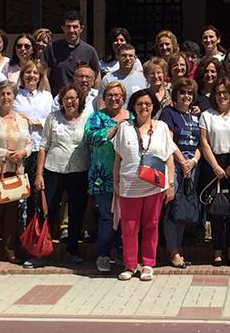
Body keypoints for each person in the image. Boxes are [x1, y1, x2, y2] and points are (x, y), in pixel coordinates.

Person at [113, 89, 176, 282]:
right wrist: (116, 183)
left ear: (153, 107)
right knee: (129, 227)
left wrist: (171, 183)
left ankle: (148, 264)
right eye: (139, 104)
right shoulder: (124, 128)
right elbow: (118, 159)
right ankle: (130, 265)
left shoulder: (162, 127)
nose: (143, 107)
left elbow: (169, 157)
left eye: (147, 104)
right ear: (133, 106)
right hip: (129, 186)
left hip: (154, 186)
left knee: (152, 225)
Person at [33, 84, 89, 267]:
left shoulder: (88, 118)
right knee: (47, 210)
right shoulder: (53, 118)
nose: (70, 101)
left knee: (76, 212)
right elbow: (43, 146)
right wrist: (39, 174)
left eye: (74, 98)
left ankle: (72, 250)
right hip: (53, 170)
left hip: (79, 172)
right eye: (67, 98)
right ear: (61, 101)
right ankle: (40, 251)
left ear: (80, 100)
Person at [0, 81, 32, 265]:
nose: (6, 97)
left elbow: (29, 144)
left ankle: (10, 250)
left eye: (9, 94)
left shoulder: (22, 120)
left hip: (15, 172)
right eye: (2, 94)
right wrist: (7, 155)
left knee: (12, 214)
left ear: (14, 96)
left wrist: (23, 153)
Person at [198, 77, 230, 266]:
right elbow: (204, 142)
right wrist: (215, 166)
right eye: (218, 93)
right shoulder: (206, 115)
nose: (222, 96)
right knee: (216, 209)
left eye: (225, 92)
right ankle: (217, 250)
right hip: (213, 164)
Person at [84, 81, 129, 273]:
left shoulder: (131, 116)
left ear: (123, 98)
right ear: (104, 97)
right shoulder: (96, 117)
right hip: (103, 175)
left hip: (126, 175)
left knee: (125, 216)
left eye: (117, 95)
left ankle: (120, 252)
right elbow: (90, 137)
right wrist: (114, 128)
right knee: (106, 217)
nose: (114, 98)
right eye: (110, 95)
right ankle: (103, 254)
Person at [159, 78, 201, 268]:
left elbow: (201, 143)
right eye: (182, 92)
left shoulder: (195, 116)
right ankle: (173, 251)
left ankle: (177, 249)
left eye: (190, 93)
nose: (186, 96)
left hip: (192, 166)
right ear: (175, 95)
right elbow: (168, 139)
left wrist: (193, 161)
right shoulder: (169, 113)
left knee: (183, 208)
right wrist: (182, 162)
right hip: (174, 165)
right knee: (171, 207)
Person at [10, 60, 54, 234]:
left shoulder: (46, 96)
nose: (31, 76)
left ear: (40, 77)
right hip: (20, 150)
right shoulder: (16, 95)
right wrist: (22, 118)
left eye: (35, 73)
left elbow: (52, 119)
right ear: (22, 75)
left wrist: (38, 122)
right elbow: (9, 115)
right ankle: (18, 233)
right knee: (19, 193)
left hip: (41, 150)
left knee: (37, 194)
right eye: (28, 72)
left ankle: (35, 233)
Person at [43, 11, 101, 95]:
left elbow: (97, 77)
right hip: (58, 100)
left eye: (75, 27)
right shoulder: (51, 48)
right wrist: (49, 98)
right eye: (68, 26)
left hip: (83, 101)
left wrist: (93, 98)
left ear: (81, 28)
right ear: (63, 28)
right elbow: (45, 77)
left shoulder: (90, 51)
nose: (71, 30)